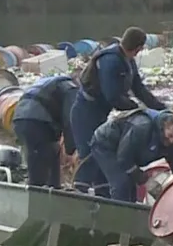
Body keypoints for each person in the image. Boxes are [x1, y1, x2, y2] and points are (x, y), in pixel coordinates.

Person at [71, 26, 167, 194]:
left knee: (100, 156)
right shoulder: (111, 60)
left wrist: (160, 109)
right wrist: (137, 109)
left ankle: (103, 194)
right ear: (138, 48)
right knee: (90, 153)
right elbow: (113, 96)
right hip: (85, 111)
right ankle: (80, 190)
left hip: (100, 112)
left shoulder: (127, 60)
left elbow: (139, 89)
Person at [89, 109, 173, 203]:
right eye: (170, 136)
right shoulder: (141, 127)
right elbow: (124, 158)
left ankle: (130, 212)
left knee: (132, 190)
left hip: (129, 153)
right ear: (163, 127)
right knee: (122, 183)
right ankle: (117, 217)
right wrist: (146, 180)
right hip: (106, 144)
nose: (171, 141)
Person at [11, 75, 81, 188]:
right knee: (40, 173)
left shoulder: (53, 82)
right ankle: (38, 198)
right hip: (37, 122)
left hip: (18, 117)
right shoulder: (72, 90)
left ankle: (53, 192)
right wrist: (71, 148)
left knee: (46, 157)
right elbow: (70, 120)